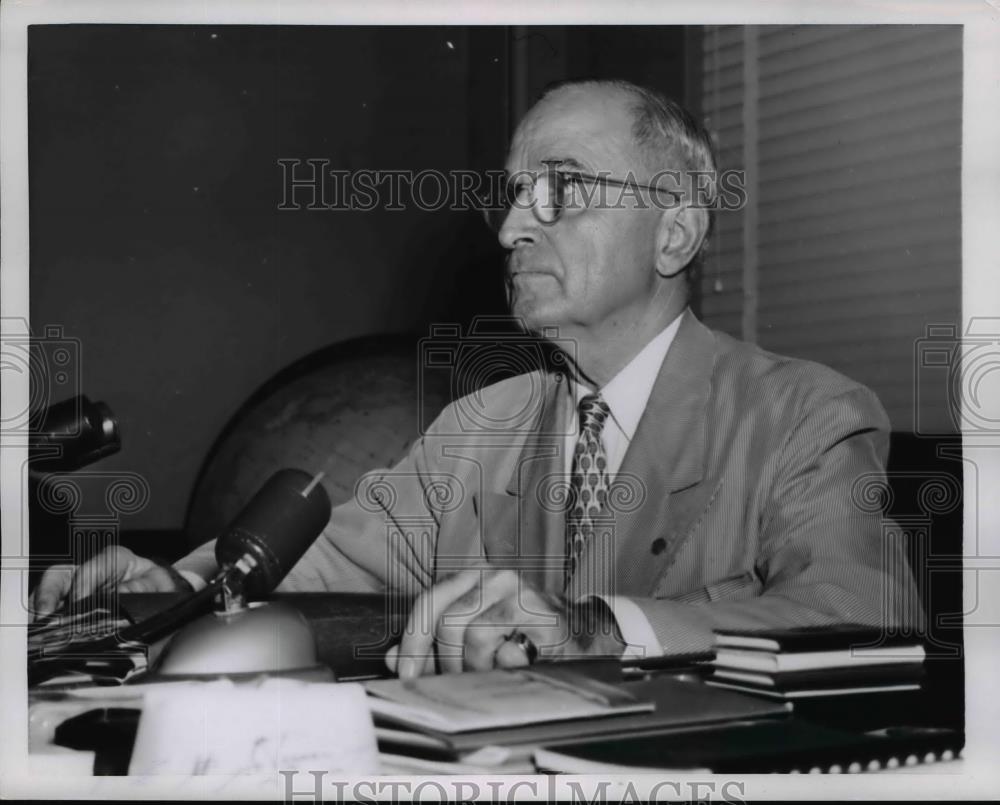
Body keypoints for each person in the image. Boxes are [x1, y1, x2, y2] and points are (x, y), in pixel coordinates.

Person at [32, 79, 923, 677]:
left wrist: (601, 629)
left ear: (676, 233)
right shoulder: (482, 424)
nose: (508, 229)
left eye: (561, 189)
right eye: (510, 193)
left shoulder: (805, 414)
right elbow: (321, 558)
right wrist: (163, 590)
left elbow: (869, 613)